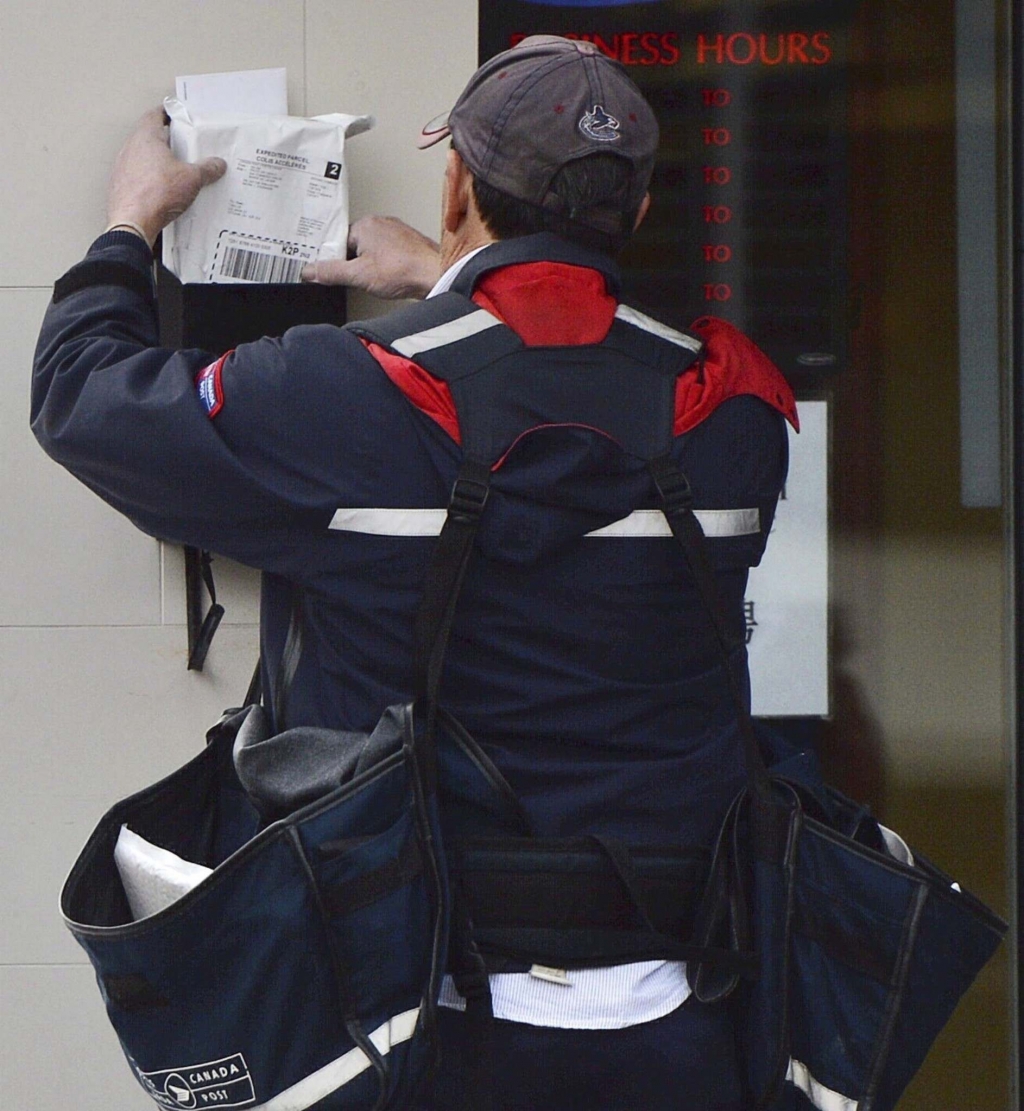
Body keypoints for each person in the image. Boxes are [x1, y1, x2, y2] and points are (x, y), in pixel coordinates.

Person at [32, 35, 797, 1110]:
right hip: (683, 1011)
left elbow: (84, 396)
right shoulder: (738, 414)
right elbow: (575, 404)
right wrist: (451, 285)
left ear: (455, 185)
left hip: (413, 1011)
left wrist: (130, 223)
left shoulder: (349, 400)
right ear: (635, 210)